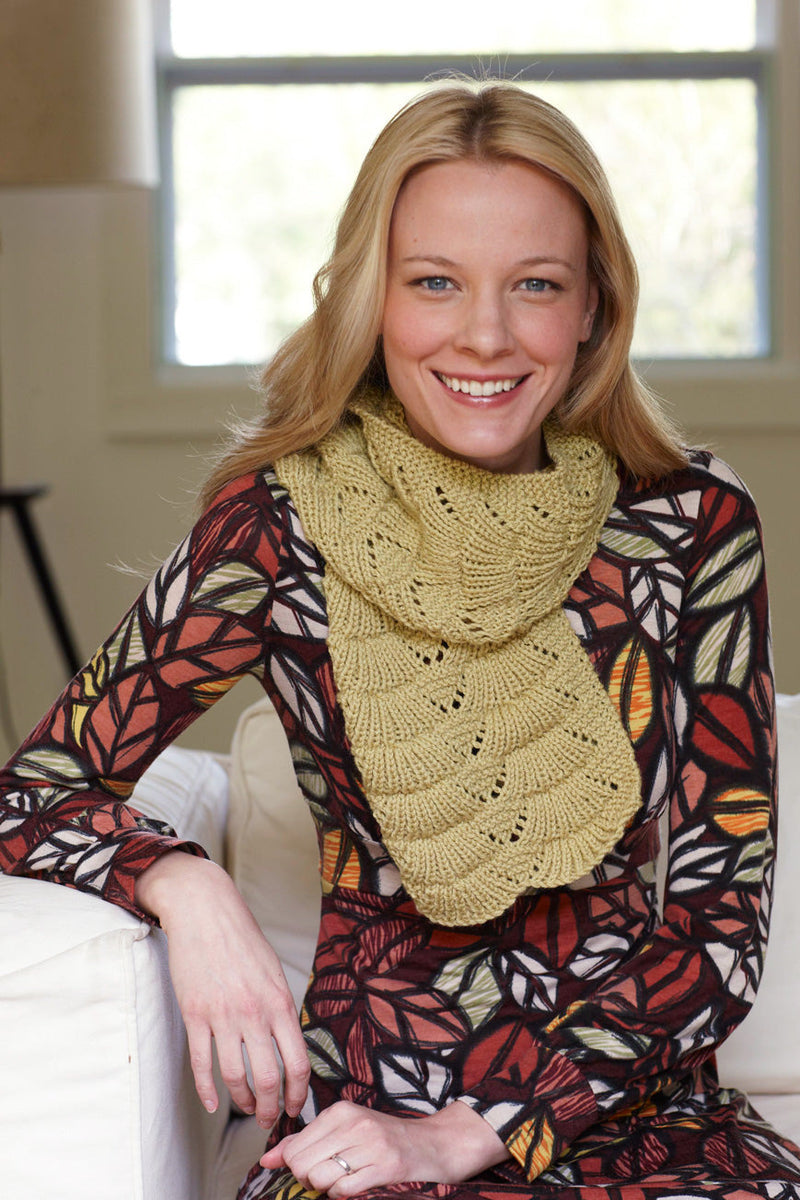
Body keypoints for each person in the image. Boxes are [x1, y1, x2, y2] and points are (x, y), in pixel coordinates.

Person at [1, 82, 799, 1200]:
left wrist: (481, 1129)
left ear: (593, 307)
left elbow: (719, 922)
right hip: (368, 1127)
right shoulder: (278, 532)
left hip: (632, 1115)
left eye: (535, 284)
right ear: (373, 301)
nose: (485, 334)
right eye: (434, 282)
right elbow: (34, 791)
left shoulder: (691, 525)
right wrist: (182, 883)